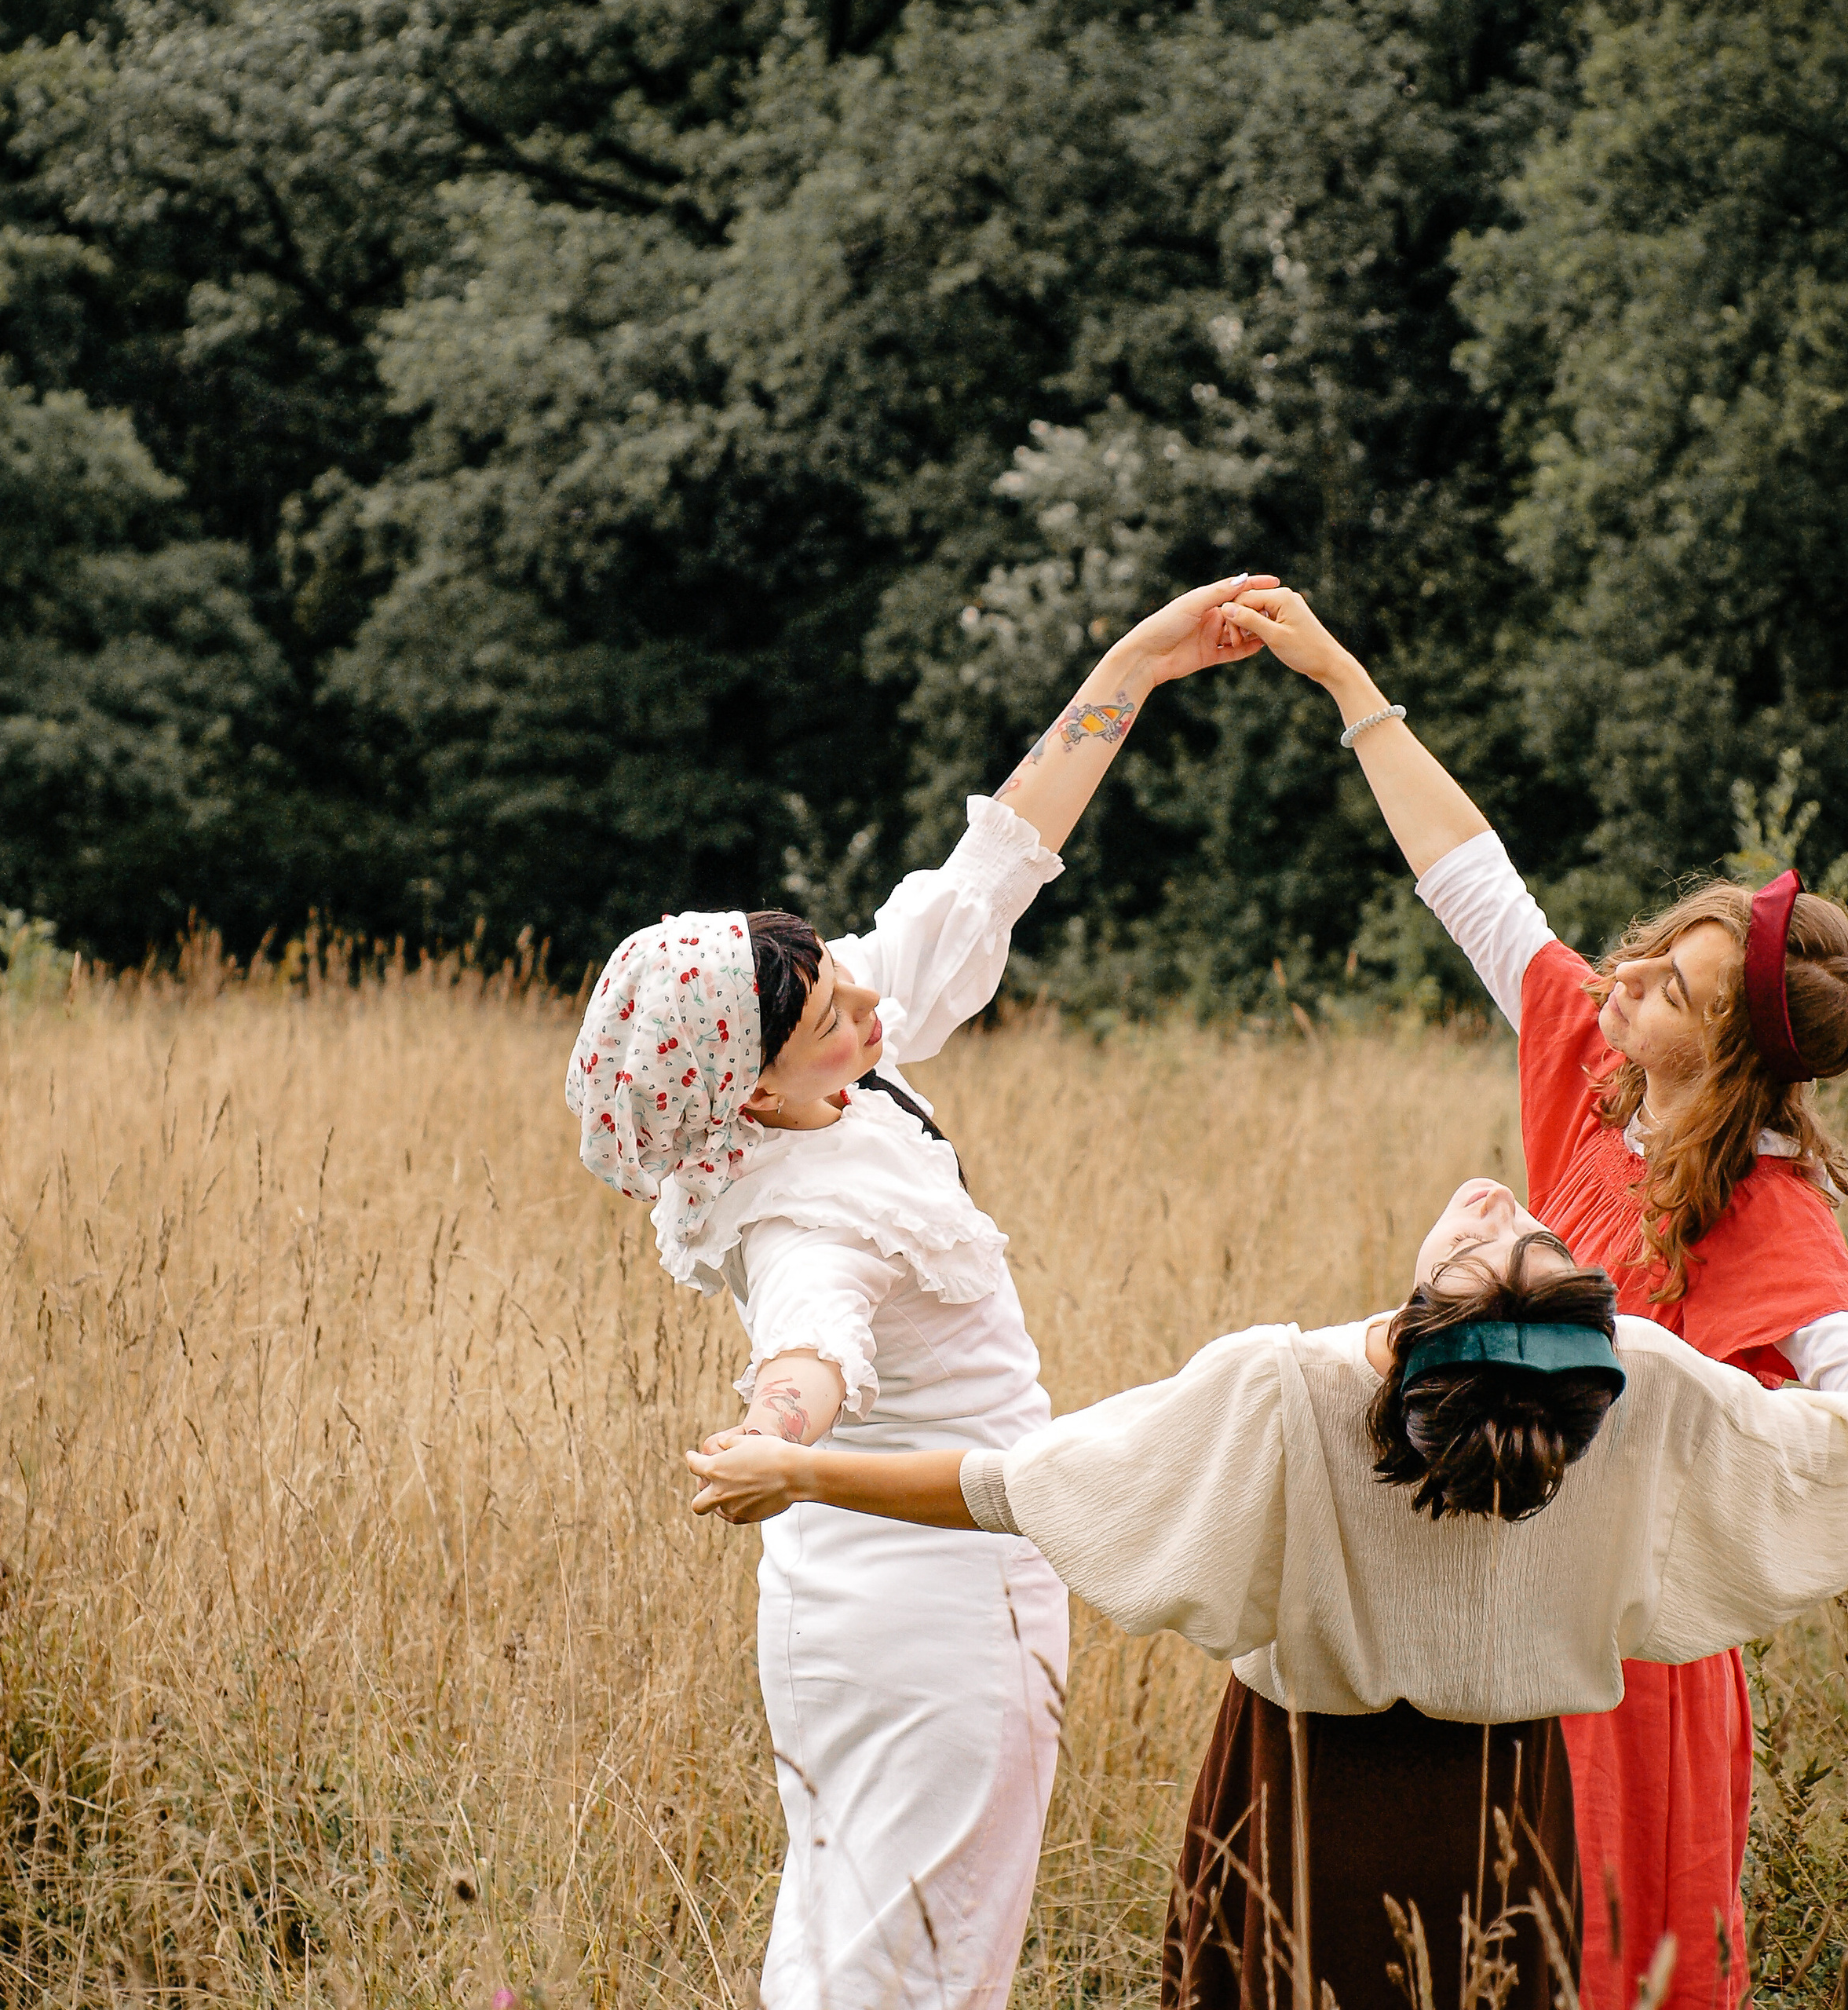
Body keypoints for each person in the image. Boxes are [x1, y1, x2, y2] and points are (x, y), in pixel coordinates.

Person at [564, 570, 1279, 2010]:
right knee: (926, 1972)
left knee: (846, 1954)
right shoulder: (797, 1217)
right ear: (749, 1089)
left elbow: (995, 864)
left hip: (850, 1613)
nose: (870, 1006)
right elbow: (811, 1343)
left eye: (840, 973)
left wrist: (1141, 659)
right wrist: (782, 1436)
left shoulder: (832, 1077)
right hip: (938, 1620)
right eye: (834, 1012)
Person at [687, 1176, 1848, 2010]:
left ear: (1406, 1336)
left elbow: (1013, 1486)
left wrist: (802, 1471)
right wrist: (1821, 1300)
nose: (1506, 1202)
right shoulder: (1637, 1389)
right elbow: (1832, 1454)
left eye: (1502, 1245)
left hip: (1299, 1792)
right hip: (1512, 1808)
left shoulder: (1291, 1387)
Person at [1214, 584, 1848, 2010]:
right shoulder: (1597, 1078)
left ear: (1732, 1058)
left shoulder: (1777, 1222)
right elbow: (1471, 876)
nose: (1620, 979)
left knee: (1605, 1955)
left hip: (1626, 1658)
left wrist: (1691, 1433)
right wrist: (1343, 679)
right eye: (1653, 949)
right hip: (1477, 1596)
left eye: (1672, 988)